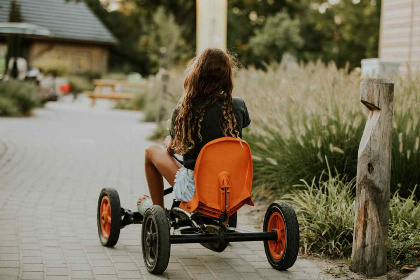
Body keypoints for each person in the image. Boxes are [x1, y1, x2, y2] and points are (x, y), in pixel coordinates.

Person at [137, 48, 251, 213]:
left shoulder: (185, 110)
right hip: (229, 187)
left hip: (196, 190)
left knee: (151, 151)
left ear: (196, 74)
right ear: (226, 77)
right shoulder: (238, 105)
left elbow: (175, 148)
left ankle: (159, 211)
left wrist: (168, 141)